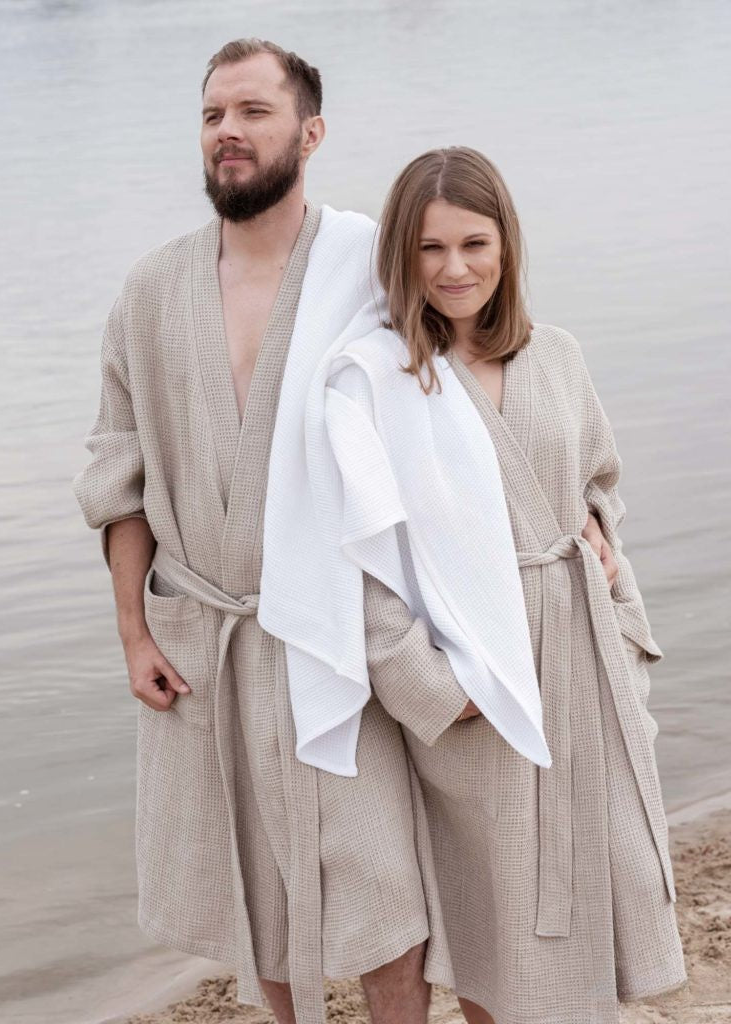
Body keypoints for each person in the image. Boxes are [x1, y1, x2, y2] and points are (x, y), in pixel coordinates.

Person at [74, 40, 451, 1024]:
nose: (229, 132)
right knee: (251, 895)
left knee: (381, 890)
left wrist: (579, 506)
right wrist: (134, 632)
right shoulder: (150, 292)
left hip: (338, 623)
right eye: (212, 116)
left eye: (253, 111)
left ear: (310, 133)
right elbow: (118, 471)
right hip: (207, 636)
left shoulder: (370, 269)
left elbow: (462, 413)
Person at [300, 147, 686, 1024]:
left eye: (474, 243)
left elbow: (598, 480)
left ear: (507, 245)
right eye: (430, 250)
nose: (455, 269)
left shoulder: (557, 356)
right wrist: (440, 689)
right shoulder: (374, 381)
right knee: (501, 926)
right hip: (473, 678)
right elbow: (353, 557)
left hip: (579, 660)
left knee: (604, 883)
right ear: (401, 257)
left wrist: (607, 553)